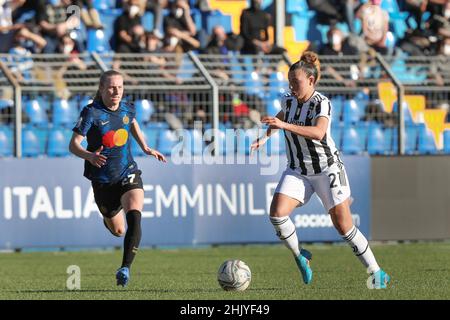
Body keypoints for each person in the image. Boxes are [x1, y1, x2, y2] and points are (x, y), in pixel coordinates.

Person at [250, 52, 390, 289]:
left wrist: (283, 126)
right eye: (290, 82)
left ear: (311, 81)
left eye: (297, 82)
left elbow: (318, 133)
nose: (292, 86)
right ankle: (299, 255)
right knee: (277, 214)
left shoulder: (321, 103)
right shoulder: (288, 100)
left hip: (327, 168)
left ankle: (376, 272)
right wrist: (264, 138)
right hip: (298, 169)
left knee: (343, 227)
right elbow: (282, 116)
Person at [69, 70, 167, 287]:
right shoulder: (91, 112)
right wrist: (89, 156)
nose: (116, 91)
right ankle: (108, 218)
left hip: (127, 171)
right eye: (112, 87)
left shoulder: (127, 107)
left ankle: (125, 268)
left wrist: (146, 147)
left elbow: (132, 124)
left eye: (120, 87)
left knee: (135, 214)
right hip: (103, 179)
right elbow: (73, 144)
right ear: (102, 88)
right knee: (119, 230)